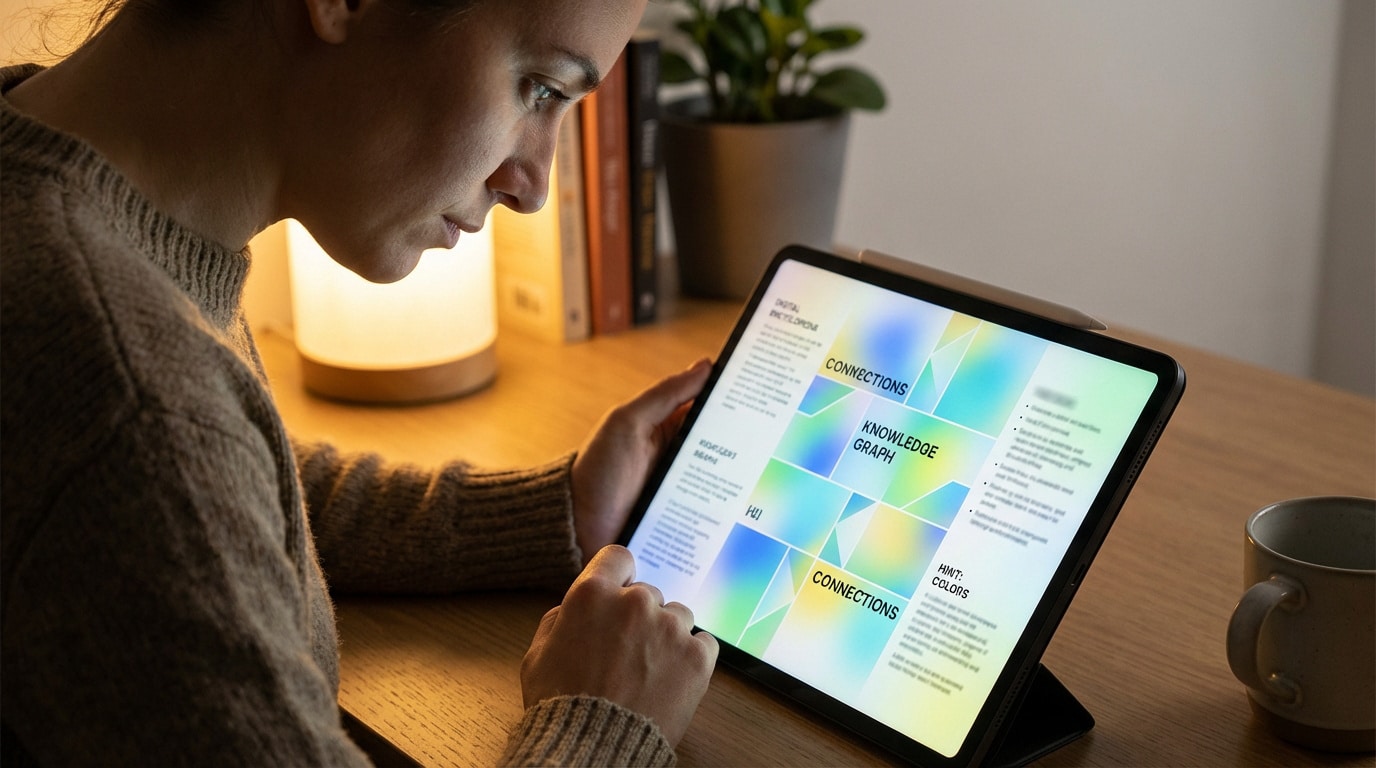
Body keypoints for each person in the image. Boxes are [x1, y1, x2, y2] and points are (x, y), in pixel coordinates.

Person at [0, 0, 719, 765]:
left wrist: (554, 513)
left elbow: (217, 488)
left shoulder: (56, 202)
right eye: (539, 88)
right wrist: (600, 724)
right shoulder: (126, 393)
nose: (533, 184)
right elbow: (161, 465)